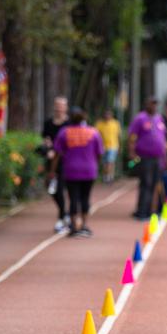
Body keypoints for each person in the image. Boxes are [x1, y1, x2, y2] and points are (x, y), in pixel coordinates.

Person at [52, 107, 103, 238]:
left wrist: (52, 171)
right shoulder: (93, 132)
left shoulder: (64, 132)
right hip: (89, 170)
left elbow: (57, 153)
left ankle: (74, 226)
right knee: (85, 197)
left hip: (71, 170)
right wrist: (94, 164)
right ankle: (84, 225)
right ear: (84, 119)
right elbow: (99, 153)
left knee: (73, 198)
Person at [127, 96, 167, 220]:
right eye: (152, 104)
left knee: (155, 184)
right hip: (144, 157)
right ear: (146, 104)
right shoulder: (140, 118)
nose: (154, 106)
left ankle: (150, 210)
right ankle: (141, 211)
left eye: (156, 104)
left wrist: (165, 156)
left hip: (158, 157)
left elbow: (163, 138)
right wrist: (132, 153)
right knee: (146, 183)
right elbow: (132, 137)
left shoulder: (159, 118)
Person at [41, 96, 71, 232]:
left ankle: (62, 218)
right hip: (51, 159)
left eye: (61, 106)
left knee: (60, 189)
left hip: (66, 161)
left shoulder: (69, 123)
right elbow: (45, 138)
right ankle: (64, 214)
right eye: (57, 106)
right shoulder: (48, 123)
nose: (59, 109)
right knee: (51, 188)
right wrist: (47, 146)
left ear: (66, 108)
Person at [94, 108, 121, 182]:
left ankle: (108, 176)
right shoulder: (99, 124)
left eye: (109, 114)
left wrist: (119, 146)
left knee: (110, 161)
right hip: (102, 146)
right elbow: (96, 135)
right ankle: (106, 175)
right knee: (104, 162)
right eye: (106, 114)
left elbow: (118, 135)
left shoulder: (115, 123)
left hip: (113, 145)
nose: (107, 116)